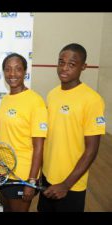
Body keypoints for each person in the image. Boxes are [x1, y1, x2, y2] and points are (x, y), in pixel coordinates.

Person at [37, 43, 106, 212]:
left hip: (71, 184)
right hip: (47, 177)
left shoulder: (93, 100)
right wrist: (41, 174)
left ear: (83, 66)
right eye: (61, 62)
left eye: (72, 64)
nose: (64, 68)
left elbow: (92, 150)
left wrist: (66, 184)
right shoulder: (52, 94)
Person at [0, 53, 48, 212]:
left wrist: (31, 181)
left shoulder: (35, 101)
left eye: (18, 69)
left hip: (22, 175)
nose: (12, 74)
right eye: (8, 69)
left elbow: (39, 146)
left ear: (25, 71)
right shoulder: (6, 99)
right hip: (2, 171)